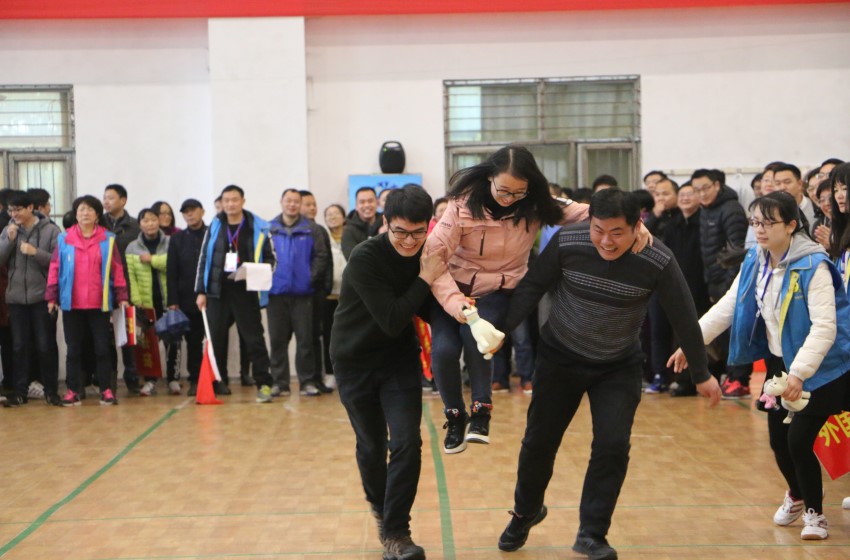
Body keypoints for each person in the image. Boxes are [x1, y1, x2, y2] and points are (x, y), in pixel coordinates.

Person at [496, 189, 720, 560]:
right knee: (539, 442)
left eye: (617, 232)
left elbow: (683, 313)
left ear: (637, 226)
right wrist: (500, 333)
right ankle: (525, 512)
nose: (605, 241)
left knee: (612, 447)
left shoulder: (656, 258)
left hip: (617, 366)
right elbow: (533, 286)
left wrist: (701, 373)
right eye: (598, 230)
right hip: (559, 358)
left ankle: (592, 533)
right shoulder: (569, 241)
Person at [671, 191, 850, 540]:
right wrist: (694, 342)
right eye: (755, 222)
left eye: (769, 223)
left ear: (792, 225)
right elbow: (730, 305)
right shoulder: (756, 258)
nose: (760, 230)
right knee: (778, 441)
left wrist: (800, 373)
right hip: (779, 363)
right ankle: (797, 495)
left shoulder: (813, 265)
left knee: (799, 440)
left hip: (821, 365)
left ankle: (815, 515)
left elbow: (825, 327)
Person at [424, 145, 596, 454]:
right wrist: (458, 305)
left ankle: (481, 411)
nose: (509, 198)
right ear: (489, 178)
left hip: (498, 290)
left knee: (479, 340)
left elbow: (589, 212)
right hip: (451, 288)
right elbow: (434, 259)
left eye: (518, 192)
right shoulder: (462, 205)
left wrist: (635, 225)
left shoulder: (536, 204)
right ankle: (455, 414)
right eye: (503, 191)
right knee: (445, 350)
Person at [330, 185, 445, 560]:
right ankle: (382, 512)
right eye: (401, 232)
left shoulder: (427, 254)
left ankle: (397, 532)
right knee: (371, 445)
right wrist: (425, 278)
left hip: (398, 362)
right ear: (385, 222)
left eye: (418, 232)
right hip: (354, 361)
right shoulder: (366, 257)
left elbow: (430, 309)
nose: (409, 241)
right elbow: (394, 318)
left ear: (428, 225)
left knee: (408, 442)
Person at [195, 185, 276, 402]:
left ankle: (264, 384)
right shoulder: (215, 225)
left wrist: (258, 272)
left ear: (243, 201)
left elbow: (271, 259)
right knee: (215, 339)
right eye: (227, 200)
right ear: (221, 203)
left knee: (254, 339)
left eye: (234, 199)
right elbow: (204, 259)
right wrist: (201, 291)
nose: (230, 204)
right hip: (217, 292)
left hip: (246, 291)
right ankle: (216, 382)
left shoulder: (258, 226)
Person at [46, 195, 129, 406]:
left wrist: (122, 296)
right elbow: (55, 268)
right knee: (73, 349)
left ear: (97, 215)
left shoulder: (108, 239)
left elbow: (117, 269)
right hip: (71, 303)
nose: (85, 213)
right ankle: (73, 390)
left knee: (102, 348)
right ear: (75, 214)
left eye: (90, 210)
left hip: (99, 303)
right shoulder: (64, 239)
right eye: (81, 209)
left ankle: (106, 389)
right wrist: (52, 296)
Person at [691, 168, 750, 398]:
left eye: (705, 188)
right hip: (714, 281)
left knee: (736, 332)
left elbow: (737, 250)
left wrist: (729, 283)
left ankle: (740, 379)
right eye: (697, 190)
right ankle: (731, 374)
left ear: (717, 185)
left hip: (729, 282)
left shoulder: (731, 209)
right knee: (723, 335)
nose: (701, 194)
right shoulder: (706, 210)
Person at [0, 191, 61, 407]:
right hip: (16, 299)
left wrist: (36, 252)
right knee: (19, 347)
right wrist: (9, 241)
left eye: (18, 210)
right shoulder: (8, 230)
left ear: (30, 208)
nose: (13, 214)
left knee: (44, 345)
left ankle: (51, 391)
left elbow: (57, 261)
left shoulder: (51, 230)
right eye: (10, 210)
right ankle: (19, 392)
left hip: (42, 297)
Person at [267, 189, 329, 397]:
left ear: (300, 204)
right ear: (281, 202)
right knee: (277, 341)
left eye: (296, 201)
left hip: (304, 294)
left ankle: (307, 382)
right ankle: (280, 383)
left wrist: (309, 277)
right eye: (288, 201)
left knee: (305, 341)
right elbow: (263, 257)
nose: (292, 205)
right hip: (276, 294)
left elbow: (321, 256)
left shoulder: (312, 229)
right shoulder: (269, 229)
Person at [125, 208, 179, 396]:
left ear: (159, 221)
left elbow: (173, 265)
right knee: (147, 344)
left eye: (153, 219)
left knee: (173, 341)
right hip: (146, 304)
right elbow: (131, 277)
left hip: (168, 301)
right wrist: (136, 300)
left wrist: (152, 260)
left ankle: (173, 379)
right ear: (139, 224)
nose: (150, 224)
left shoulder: (171, 242)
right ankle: (150, 380)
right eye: (145, 220)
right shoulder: (132, 247)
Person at [102, 183, 141, 394]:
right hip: (103, 288)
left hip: (128, 287)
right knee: (106, 337)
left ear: (123, 200)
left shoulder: (135, 226)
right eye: (104, 198)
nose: (106, 202)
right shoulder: (99, 224)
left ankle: (132, 378)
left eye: (111, 198)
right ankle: (109, 381)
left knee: (129, 335)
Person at [166, 199, 207, 396]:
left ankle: (218, 379)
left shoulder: (212, 235)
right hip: (187, 300)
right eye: (186, 212)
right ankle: (196, 380)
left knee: (216, 341)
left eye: (193, 210)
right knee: (193, 342)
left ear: (202, 212)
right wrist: (173, 301)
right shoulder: (177, 239)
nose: (190, 214)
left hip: (213, 299)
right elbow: (171, 271)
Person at [298, 189, 334, 393]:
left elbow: (326, 261)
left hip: (318, 292)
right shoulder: (296, 230)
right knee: (305, 338)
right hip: (299, 293)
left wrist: (325, 287)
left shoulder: (319, 229)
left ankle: (317, 379)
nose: (312, 208)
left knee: (316, 336)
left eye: (314, 204)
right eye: (308, 204)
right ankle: (307, 380)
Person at [321, 203, 347, 385]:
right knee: (329, 336)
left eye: (336, 213)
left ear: (344, 217)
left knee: (350, 336)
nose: (332, 217)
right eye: (328, 214)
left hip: (349, 296)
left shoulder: (351, 236)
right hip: (328, 295)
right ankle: (330, 373)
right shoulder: (322, 237)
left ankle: (349, 373)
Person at [341, 187, 381, 259]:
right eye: (362, 202)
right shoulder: (348, 229)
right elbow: (352, 258)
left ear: (377, 203)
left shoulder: (386, 224)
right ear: (356, 206)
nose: (367, 205)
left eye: (370, 201)